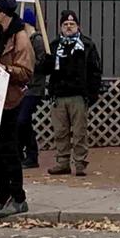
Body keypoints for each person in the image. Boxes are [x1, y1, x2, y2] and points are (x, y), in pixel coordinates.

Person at [0, 0, 34, 219]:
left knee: (9, 150)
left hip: (11, 101)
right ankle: (1, 197)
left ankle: (18, 198)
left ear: (3, 11)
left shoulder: (21, 36)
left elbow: (26, 72)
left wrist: (4, 68)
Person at [37, 9, 102, 176]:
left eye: (72, 24)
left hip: (79, 95)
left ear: (78, 26)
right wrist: (48, 61)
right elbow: (43, 70)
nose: (68, 27)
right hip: (59, 95)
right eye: (65, 24)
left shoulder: (87, 45)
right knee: (60, 131)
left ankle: (80, 163)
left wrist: (92, 93)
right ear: (60, 27)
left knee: (80, 132)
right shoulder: (53, 45)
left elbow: (95, 71)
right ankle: (62, 162)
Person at [17, 9, 47, 169]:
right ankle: (24, 153)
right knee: (22, 121)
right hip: (23, 87)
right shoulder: (24, 40)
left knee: (22, 120)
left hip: (34, 87)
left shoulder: (37, 40)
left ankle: (31, 154)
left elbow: (41, 63)